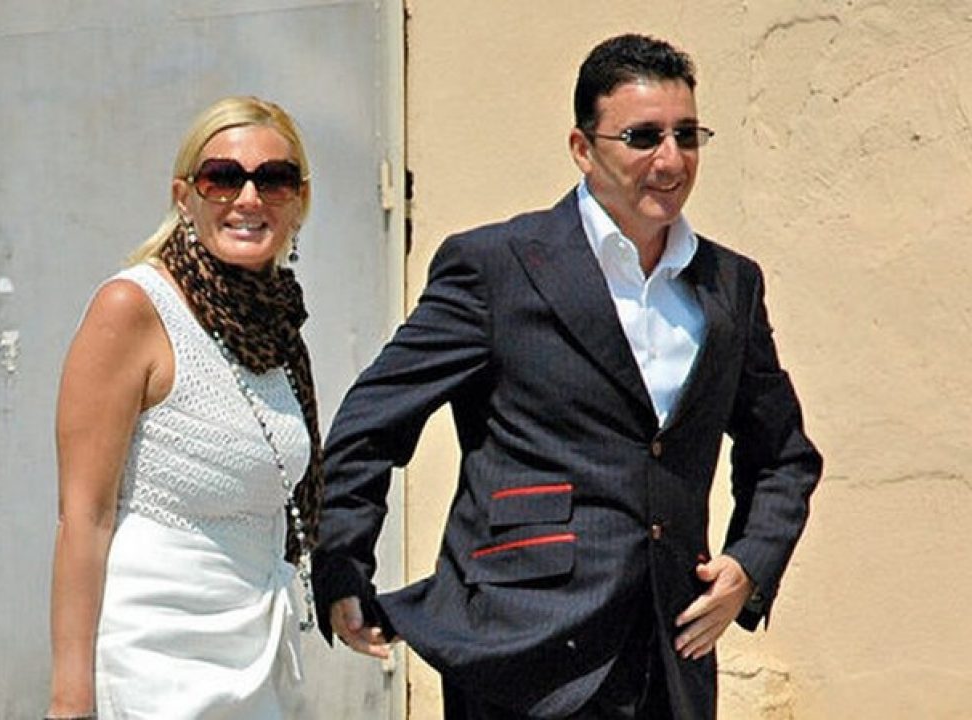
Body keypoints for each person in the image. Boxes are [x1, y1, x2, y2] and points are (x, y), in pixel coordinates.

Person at [311, 34, 823, 720]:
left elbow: (784, 455)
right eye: (643, 137)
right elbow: (371, 422)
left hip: (670, 653)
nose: (671, 160)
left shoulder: (730, 284)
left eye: (687, 135)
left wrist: (748, 565)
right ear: (583, 148)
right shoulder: (497, 267)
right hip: (520, 651)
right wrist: (343, 562)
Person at [45, 96, 323, 720]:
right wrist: (69, 703)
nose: (248, 198)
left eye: (274, 179)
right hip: (154, 656)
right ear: (184, 196)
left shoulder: (276, 325)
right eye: (221, 177)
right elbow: (83, 517)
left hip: (254, 654)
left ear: (299, 200)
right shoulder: (133, 308)